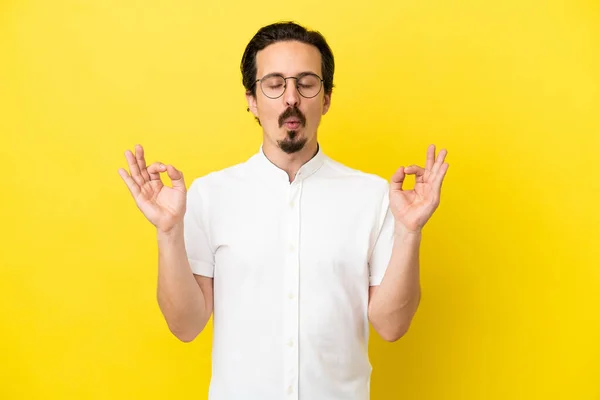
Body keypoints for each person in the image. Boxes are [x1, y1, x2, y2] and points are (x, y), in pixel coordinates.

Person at [118, 21, 448, 400]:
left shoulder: (374, 197)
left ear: (325, 99)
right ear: (252, 100)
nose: (291, 97)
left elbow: (391, 326)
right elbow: (185, 326)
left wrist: (410, 231)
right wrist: (167, 232)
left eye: (306, 83)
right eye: (274, 84)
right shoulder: (210, 195)